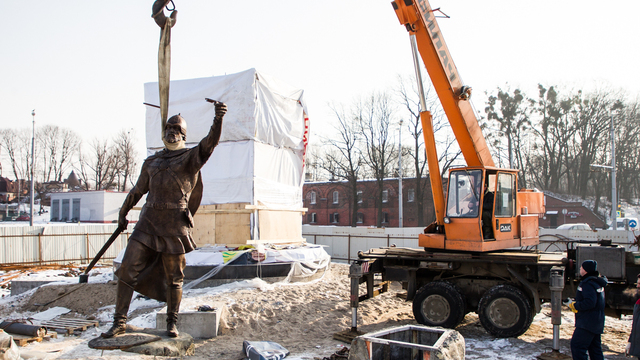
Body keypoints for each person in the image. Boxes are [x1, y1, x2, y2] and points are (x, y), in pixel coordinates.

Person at [101, 101, 227, 338]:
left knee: (174, 277)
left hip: (174, 225)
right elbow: (138, 190)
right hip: (147, 222)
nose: (172, 132)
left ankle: (172, 323)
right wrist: (123, 211)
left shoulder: (191, 158)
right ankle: (119, 322)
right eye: (169, 128)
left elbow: (210, 142)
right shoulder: (152, 162)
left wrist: (218, 119)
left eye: (177, 130)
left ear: (183, 135)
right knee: (127, 268)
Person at [566, 260, 607, 360]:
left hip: (587, 322)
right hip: (597, 320)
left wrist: (575, 305)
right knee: (595, 350)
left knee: (577, 346)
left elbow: (590, 302)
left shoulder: (587, 284)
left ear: (585, 270)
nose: (580, 269)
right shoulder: (598, 282)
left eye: (581, 267)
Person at [627, 274, 640, 358]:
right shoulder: (638, 302)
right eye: (637, 283)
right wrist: (630, 342)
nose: (638, 286)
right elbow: (635, 326)